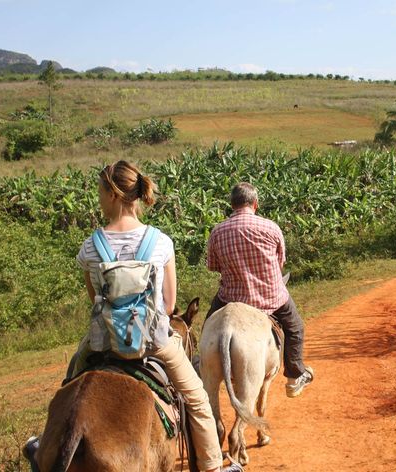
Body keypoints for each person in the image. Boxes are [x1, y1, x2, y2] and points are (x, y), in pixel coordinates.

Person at [28, 161, 241, 472]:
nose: (98, 199)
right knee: (197, 399)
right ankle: (213, 467)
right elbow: (168, 306)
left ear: (114, 195)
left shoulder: (91, 246)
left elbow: (95, 300)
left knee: (70, 384)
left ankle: (45, 442)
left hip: (103, 344)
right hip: (153, 342)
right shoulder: (161, 242)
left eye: (100, 192)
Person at [206, 182, 314, 398]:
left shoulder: (217, 231)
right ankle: (294, 377)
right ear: (255, 204)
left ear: (232, 204)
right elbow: (280, 262)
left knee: (208, 325)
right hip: (271, 297)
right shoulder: (271, 227)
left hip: (231, 299)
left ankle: (201, 364)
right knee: (295, 328)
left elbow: (213, 266)